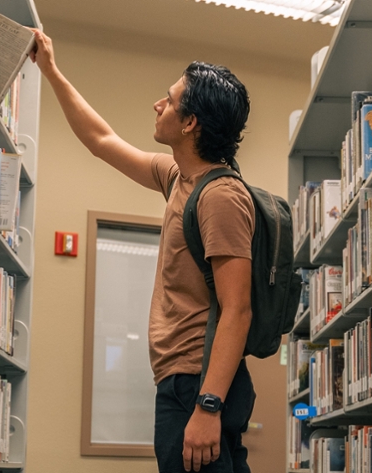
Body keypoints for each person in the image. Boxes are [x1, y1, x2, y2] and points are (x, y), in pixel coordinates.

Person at [28, 30, 256, 473]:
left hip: (197, 383)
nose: (158, 105)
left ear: (190, 123)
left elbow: (238, 310)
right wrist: (51, 71)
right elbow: (102, 140)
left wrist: (208, 407)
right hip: (182, 381)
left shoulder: (220, 197)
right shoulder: (179, 178)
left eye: (169, 101)